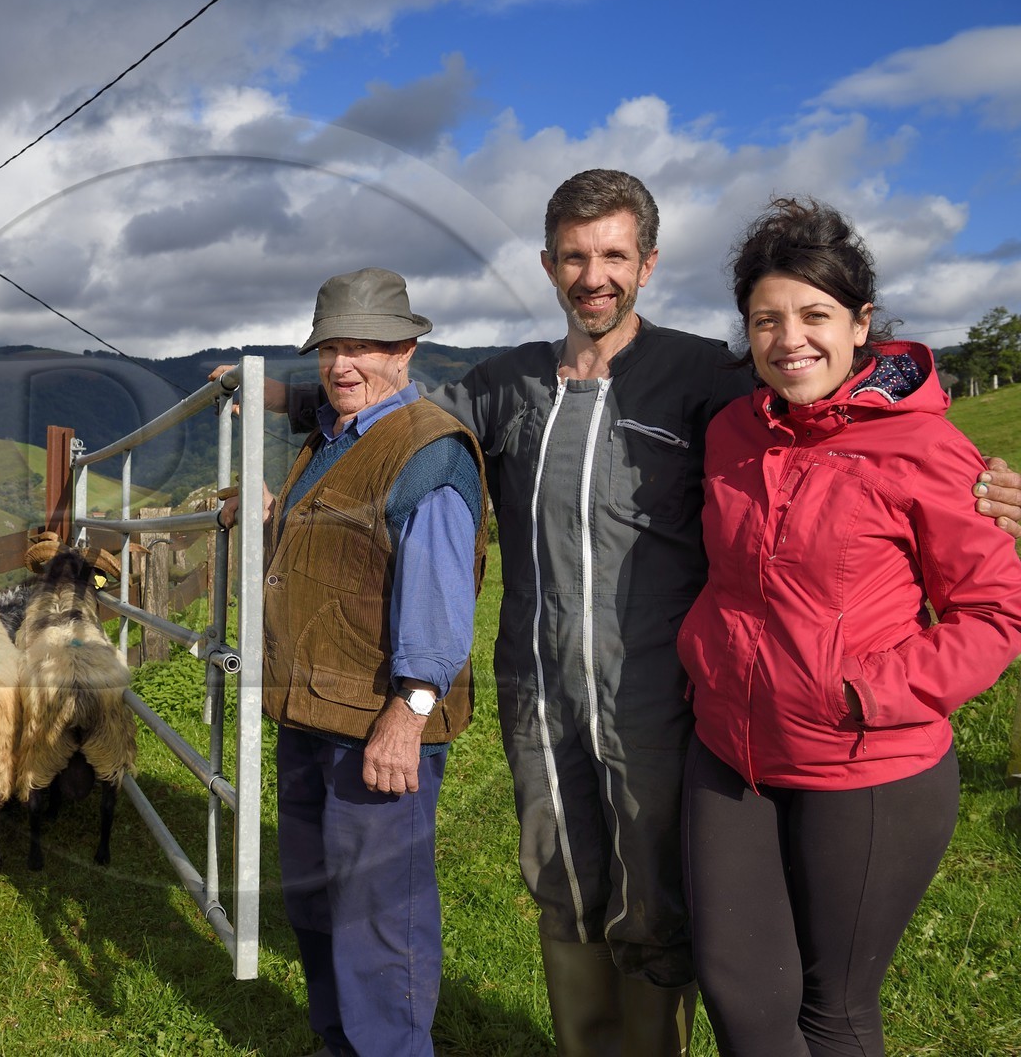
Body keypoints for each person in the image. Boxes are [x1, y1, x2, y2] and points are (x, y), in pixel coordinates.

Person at [216, 168, 1021, 1057]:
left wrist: (986, 485)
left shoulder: (702, 378)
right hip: (540, 683)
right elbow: (404, 419)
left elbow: (826, 413)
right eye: (573, 256)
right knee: (559, 876)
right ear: (549, 265)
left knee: (655, 890)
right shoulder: (508, 383)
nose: (592, 274)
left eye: (613, 255)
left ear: (647, 262)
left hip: (662, 689)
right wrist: (283, 397)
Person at [677, 197, 1021, 1056]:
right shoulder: (731, 432)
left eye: (815, 315)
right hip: (729, 750)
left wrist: (865, 691)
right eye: (766, 319)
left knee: (834, 1013)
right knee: (740, 996)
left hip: (867, 764)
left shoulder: (927, 448)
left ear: (862, 323)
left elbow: (994, 612)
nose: (790, 338)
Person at [258, 267, 490, 1057]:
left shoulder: (427, 451)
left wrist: (409, 713)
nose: (342, 364)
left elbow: (437, 600)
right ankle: (337, 1043)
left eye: (364, 347)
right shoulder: (334, 437)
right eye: (330, 348)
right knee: (318, 904)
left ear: (406, 349)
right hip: (312, 710)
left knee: (380, 923)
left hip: (377, 727)